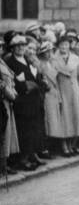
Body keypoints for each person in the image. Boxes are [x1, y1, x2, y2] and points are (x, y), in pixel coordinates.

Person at [5, 34, 47, 171]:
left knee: (34, 128)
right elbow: (13, 80)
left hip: (33, 100)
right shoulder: (10, 62)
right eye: (17, 46)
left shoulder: (27, 59)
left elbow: (35, 77)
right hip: (22, 101)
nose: (20, 48)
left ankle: (32, 155)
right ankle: (23, 158)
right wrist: (24, 85)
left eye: (23, 45)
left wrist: (37, 84)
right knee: (24, 130)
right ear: (12, 48)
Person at [53, 35, 79, 155]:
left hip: (74, 90)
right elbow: (53, 79)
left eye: (66, 44)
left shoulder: (76, 58)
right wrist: (56, 95)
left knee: (75, 118)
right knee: (64, 119)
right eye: (61, 45)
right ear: (58, 46)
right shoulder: (54, 59)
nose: (64, 47)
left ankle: (73, 145)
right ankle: (64, 147)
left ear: (69, 46)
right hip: (62, 90)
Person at [38, 42, 66, 155]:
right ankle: (47, 148)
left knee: (55, 121)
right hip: (47, 95)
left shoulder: (52, 63)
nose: (49, 54)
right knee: (48, 121)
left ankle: (53, 146)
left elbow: (57, 81)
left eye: (51, 51)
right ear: (42, 53)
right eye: (47, 52)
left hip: (54, 94)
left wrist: (59, 96)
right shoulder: (40, 65)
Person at [0, 39, 20, 176]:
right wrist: (10, 94)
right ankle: (2, 166)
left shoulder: (2, 61)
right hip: (3, 100)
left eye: (1, 47)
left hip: (8, 100)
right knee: (3, 134)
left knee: (7, 134)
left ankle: (4, 164)